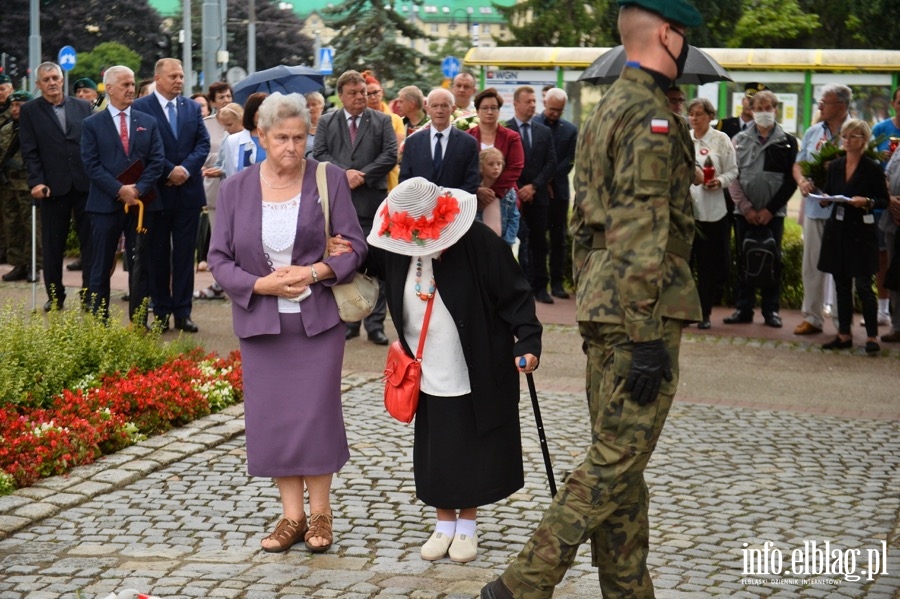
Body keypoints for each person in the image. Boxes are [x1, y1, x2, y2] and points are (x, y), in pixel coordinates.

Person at [481, 0, 703, 596]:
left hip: (609, 302)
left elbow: (583, 225)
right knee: (617, 459)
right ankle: (522, 582)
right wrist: (646, 329)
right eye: (683, 35)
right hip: (641, 309)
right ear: (666, 34)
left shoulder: (605, 109)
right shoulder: (651, 115)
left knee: (621, 467)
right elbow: (640, 225)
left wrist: (595, 299)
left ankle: (628, 591)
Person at [208, 92, 367, 554]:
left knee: (316, 416)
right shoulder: (237, 188)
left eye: (299, 138)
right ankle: (291, 516)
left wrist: (314, 272)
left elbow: (356, 247)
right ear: (261, 136)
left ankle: (321, 513)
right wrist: (260, 286)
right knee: (274, 419)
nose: (292, 147)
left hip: (317, 323)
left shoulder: (328, 178)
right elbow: (218, 259)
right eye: (282, 138)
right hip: (262, 323)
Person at [360, 176, 541, 564]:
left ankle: (468, 526)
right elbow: (363, 259)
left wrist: (527, 341)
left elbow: (516, 293)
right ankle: (443, 524)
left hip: (474, 358)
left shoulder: (478, 243)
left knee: (472, 442)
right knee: (436, 446)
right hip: (424, 364)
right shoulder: (395, 244)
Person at [312, 69, 398, 346]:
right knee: (345, 262)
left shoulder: (382, 121)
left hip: (372, 202)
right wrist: (345, 173)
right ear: (341, 96)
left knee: (376, 263)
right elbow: (319, 154)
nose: (361, 96)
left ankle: (376, 325)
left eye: (363, 91)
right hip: (340, 204)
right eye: (354, 93)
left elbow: (390, 155)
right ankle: (349, 319)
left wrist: (362, 174)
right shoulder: (327, 121)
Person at [80, 65, 165, 323]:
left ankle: (139, 322)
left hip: (141, 204)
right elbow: (90, 164)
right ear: (110, 88)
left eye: (133, 84)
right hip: (104, 205)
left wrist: (137, 189)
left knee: (141, 265)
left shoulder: (148, 122)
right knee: (101, 265)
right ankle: (98, 321)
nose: (131, 89)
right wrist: (119, 189)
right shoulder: (92, 124)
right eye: (126, 84)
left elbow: (157, 161)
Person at [133, 58, 211, 333]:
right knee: (157, 255)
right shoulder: (141, 107)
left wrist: (185, 169)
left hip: (187, 192)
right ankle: (162, 312)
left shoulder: (190, 107)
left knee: (184, 256)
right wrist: (169, 170)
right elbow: (140, 147)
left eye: (181, 76)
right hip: (157, 192)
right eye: (174, 76)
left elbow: (203, 143)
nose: (179, 81)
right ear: (158, 78)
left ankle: (183, 312)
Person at [19, 61, 94, 311]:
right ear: (38, 84)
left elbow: (92, 144)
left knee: (90, 244)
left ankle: (89, 294)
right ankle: (55, 295)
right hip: (52, 186)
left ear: (62, 80)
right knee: (53, 244)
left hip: (84, 184)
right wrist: (36, 181)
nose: (52, 83)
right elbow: (29, 151)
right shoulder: (30, 111)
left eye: (55, 78)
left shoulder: (83, 106)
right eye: (46, 79)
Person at [724, 89, 798, 328]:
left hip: (773, 214)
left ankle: (771, 310)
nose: (764, 112)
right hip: (743, 213)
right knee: (743, 258)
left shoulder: (787, 142)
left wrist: (769, 209)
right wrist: (745, 208)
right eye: (759, 108)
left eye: (769, 107)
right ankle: (743, 308)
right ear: (751, 110)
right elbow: (733, 176)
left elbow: (790, 180)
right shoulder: (739, 140)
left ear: (776, 110)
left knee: (772, 259)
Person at [817, 119, 888, 355]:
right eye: (845, 136)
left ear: (864, 141)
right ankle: (843, 334)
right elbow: (829, 192)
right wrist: (825, 198)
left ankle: (871, 336)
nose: (847, 141)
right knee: (841, 284)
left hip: (862, 232)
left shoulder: (872, 168)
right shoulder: (836, 166)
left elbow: (883, 200)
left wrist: (867, 202)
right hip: (837, 230)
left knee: (865, 286)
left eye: (853, 137)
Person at [792, 84, 852, 336]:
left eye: (824, 103)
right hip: (816, 207)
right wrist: (802, 181)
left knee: (842, 267)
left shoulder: (855, 131)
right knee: (812, 265)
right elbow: (799, 165)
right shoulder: (814, 131)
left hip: (844, 210)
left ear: (840, 106)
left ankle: (842, 321)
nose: (819, 107)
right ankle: (813, 318)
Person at [687, 97, 738, 328]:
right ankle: (685, 311)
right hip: (687, 211)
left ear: (710, 116)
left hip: (713, 211)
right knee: (685, 264)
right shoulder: (684, 139)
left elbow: (733, 171)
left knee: (709, 265)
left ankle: (704, 312)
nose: (695, 118)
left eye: (699, 114)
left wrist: (719, 181)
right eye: (692, 114)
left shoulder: (721, 139)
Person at [506, 86, 557, 304]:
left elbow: (551, 163)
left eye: (534, 101)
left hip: (538, 197)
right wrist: (519, 188)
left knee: (539, 242)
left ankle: (540, 286)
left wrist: (533, 187)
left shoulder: (543, 131)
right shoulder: (506, 130)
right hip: (513, 197)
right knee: (515, 241)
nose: (533, 105)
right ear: (516, 104)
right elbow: (504, 163)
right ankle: (517, 286)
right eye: (528, 101)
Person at [533, 87, 578, 299]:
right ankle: (537, 282)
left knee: (559, 238)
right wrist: (541, 181)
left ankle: (558, 282)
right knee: (538, 238)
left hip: (558, 191)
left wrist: (550, 178)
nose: (555, 113)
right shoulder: (534, 125)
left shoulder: (570, 130)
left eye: (559, 110)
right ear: (545, 104)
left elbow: (569, 160)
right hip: (537, 191)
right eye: (552, 109)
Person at [467, 88, 524, 250]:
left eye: (494, 108)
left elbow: (515, 168)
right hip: (475, 198)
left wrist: (491, 193)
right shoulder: (467, 136)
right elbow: (463, 168)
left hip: (504, 196)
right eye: (485, 108)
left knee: (502, 244)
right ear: (477, 111)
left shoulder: (511, 137)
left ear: (499, 111)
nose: (489, 112)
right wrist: (477, 190)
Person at [399, 88, 479, 193]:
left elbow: (472, 182)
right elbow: (404, 180)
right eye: (434, 106)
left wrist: (449, 201)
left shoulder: (468, 143)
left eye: (444, 106)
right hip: (421, 206)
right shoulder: (413, 142)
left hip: (456, 206)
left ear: (453, 109)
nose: (439, 111)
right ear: (427, 109)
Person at [0, 91, 42, 283]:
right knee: (12, 224)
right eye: (13, 105)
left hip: (28, 184)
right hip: (8, 185)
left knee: (32, 226)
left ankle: (34, 265)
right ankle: (18, 264)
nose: (16, 109)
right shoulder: (5, 129)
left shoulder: (37, 128)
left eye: (20, 105)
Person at [364, 72, 406, 191]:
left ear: (381, 91)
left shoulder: (396, 119)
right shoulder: (360, 119)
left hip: (391, 177)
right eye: (368, 94)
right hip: (367, 178)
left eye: (375, 92)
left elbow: (396, 152)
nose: (373, 97)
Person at [218, 93, 266, 179]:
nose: (266, 112)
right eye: (261, 108)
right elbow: (230, 175)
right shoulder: (232, 140)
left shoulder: (277, 139)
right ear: (251, 112)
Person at [479, 147, 519, 244]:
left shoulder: (509, 192)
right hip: (480, 243)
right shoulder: (475, 191)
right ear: (481, 167)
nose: (496, 167)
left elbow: (514, 218)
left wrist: (508, 242)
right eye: (491, 164)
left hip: (502, 242)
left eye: (499, 164)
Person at [882, 148, 900, 343]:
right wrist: (890, 199)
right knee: (895, 275)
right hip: (893, 222)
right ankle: (897, 326)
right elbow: (886, 176)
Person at [304, 91, 325, 157]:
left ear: (322, 107)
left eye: (314, 104)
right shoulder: (299, 128)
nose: (310, 108)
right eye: (307, 106)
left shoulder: (329, 126)